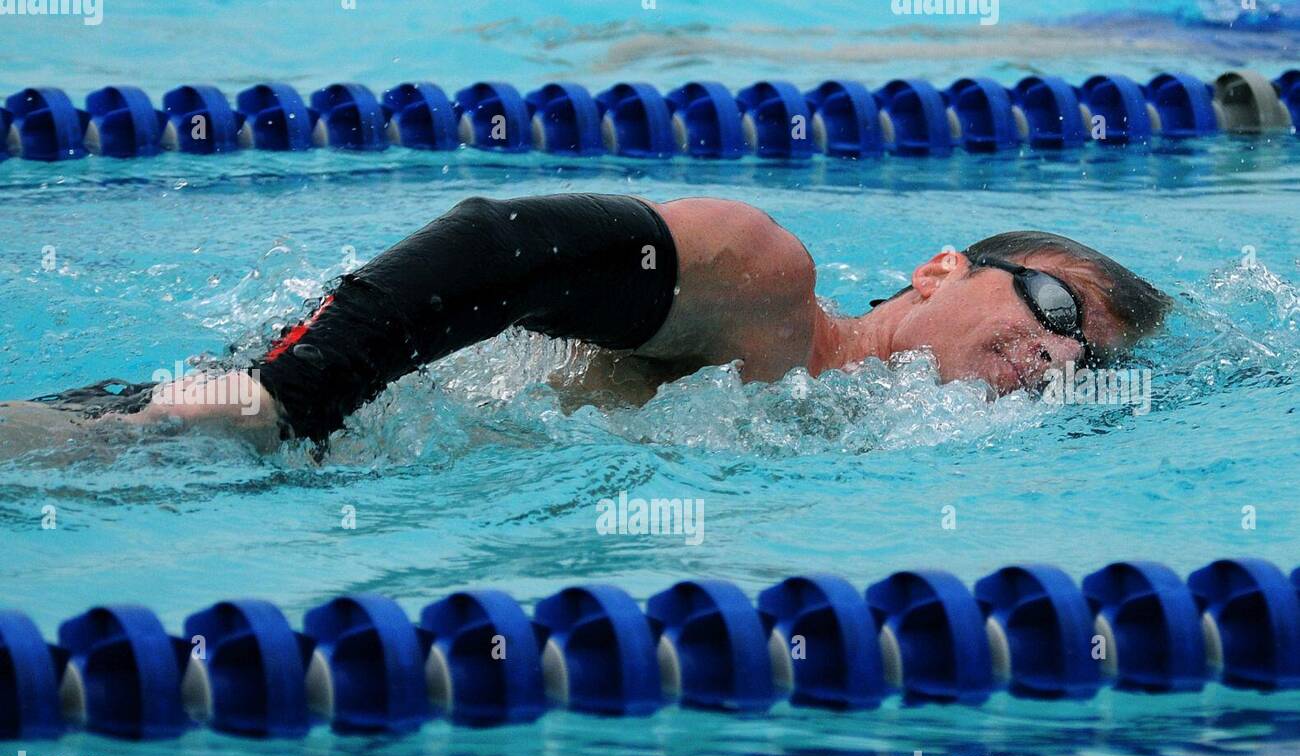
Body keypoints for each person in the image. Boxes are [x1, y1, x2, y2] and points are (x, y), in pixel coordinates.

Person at [5, 194, 1173, 450]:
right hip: (263, 410)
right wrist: (291, 395)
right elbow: (498, 245)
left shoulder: (843, 434)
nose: (1058, 353)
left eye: (1084, 360)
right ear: (937, 269)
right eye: (1057, 306)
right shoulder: (769, 290)